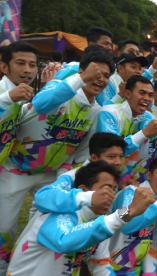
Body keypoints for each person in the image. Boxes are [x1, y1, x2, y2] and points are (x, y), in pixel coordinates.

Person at [0, 45, 113, 274]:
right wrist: (80, 79)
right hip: (16, 169)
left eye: (105, 76)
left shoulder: (96, 110)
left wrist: (63, 180)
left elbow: (80, 154)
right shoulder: (60, 88)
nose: (99, 79)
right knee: (4, 229)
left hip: (50, 175)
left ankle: (21, 265)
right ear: (82, 70)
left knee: (43, 220)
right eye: (95, 72)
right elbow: (42, 103)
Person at [7, 161, 156, 276]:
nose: (110, 194)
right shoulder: (58, 214)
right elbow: (65, 241)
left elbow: (101, 265)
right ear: (84, 190)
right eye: (105, 188)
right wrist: (127, 213)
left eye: (113, 189)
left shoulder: (98, 220)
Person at [0, 41, 38, 275]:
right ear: (4, 67)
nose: (28, 70)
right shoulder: (8, 93)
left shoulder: (22, 96)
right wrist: (7, 98)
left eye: (33, 65)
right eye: (21, 63)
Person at [108, 157, 157, 275]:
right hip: (110, 268)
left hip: (134, 269)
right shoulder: (130, 192)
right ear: (148, 175)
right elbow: (127, 226)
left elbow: (155, 239)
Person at [34, 132, 126, 214]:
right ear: (94, 158)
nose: (118, 162)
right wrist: (89, 198)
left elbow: (116, 220)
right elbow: (41, 198)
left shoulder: (112, 177)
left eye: (120, 156)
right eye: (111, 157)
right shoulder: (71, 177)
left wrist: (124, 190)